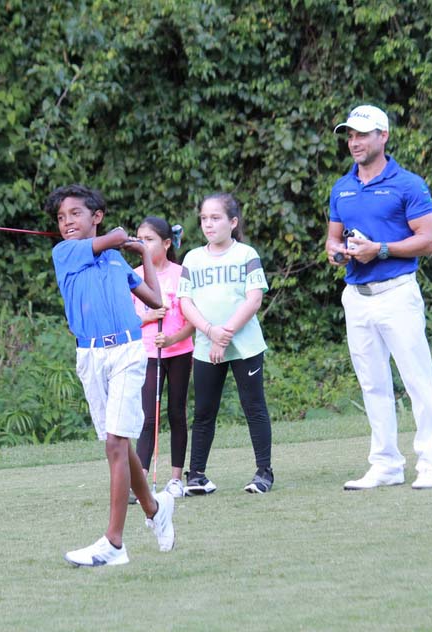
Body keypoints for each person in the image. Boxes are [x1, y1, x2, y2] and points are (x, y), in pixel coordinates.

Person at [46, 184, 175, 567]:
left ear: (96, 216)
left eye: (75, 214)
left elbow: (156, 300)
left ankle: (114, 543)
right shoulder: (64, 252)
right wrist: (119, 237)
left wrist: (144, 255)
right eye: (61, 217)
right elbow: (112, 238)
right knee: (118, 443)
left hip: (127, 352)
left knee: (116, 444)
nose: (67, 222)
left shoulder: (117, 262)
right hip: (90, 355)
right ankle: (155, 508)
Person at [326, 104, 432, 490]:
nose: (354, 142)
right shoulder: (342, 187)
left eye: (362, 134)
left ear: (384, 136)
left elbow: (429, 240)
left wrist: (379, 250)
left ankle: (431, 463)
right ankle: (386, 464)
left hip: (397, 293)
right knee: (372, 384)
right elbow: (333, 238)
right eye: (350, 135)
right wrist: (337, 252)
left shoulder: (408, 184)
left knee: (417, 380)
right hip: (357, 296)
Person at [178, 193, 274, 495]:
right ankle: (197, 476)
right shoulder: (192, 258)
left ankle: (264, 473)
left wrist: (225, 334)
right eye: (204, 218)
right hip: (206, 346)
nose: (208, 224)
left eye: (216, 218)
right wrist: (210, 332)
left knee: (254, 407)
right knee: (204, 411)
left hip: (245, 346)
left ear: (233, 222)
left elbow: (254, 299)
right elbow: (185, 302)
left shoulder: (246, 254)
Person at [132, 217, 195, 499]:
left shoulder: (182, 274)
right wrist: (149, 316)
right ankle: (140, 481)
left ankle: (176, 479)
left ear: (167, 243)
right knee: (148, 417)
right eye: (139, 239)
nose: (142, 244)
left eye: (149, 239)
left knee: (176, 413)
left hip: (179, 352)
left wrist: (171, 339)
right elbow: (128, 319)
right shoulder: (134, 275)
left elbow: (192, 321)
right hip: (148, 353)